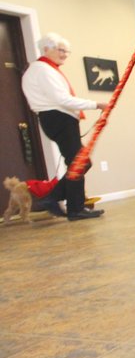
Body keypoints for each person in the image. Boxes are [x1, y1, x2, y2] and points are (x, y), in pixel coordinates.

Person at [21, 33, 107, 221]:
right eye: (60, 50)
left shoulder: (44, 69)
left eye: (66, 51)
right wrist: (96, 104)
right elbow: (61, 99)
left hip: (58, 118)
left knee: (80, 163)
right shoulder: (42, 69)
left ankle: (61, 201)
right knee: (79, 163)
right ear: (46, 49)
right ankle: (71, 207)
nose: (65, 54)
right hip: (58, 118)